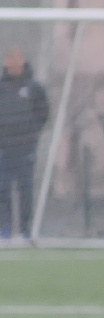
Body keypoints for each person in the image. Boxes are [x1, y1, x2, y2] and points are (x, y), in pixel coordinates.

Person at [0, 48, 49, 240]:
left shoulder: (34, 87)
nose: (13, 65)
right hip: (3, 148)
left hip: (25, 148)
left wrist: (31, 133)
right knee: (3, 189)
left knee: (25, 189)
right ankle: (4, 228)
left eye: (16, 61)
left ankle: (25, 228)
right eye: (9, 62)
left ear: (22, 63)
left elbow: (43, 113)